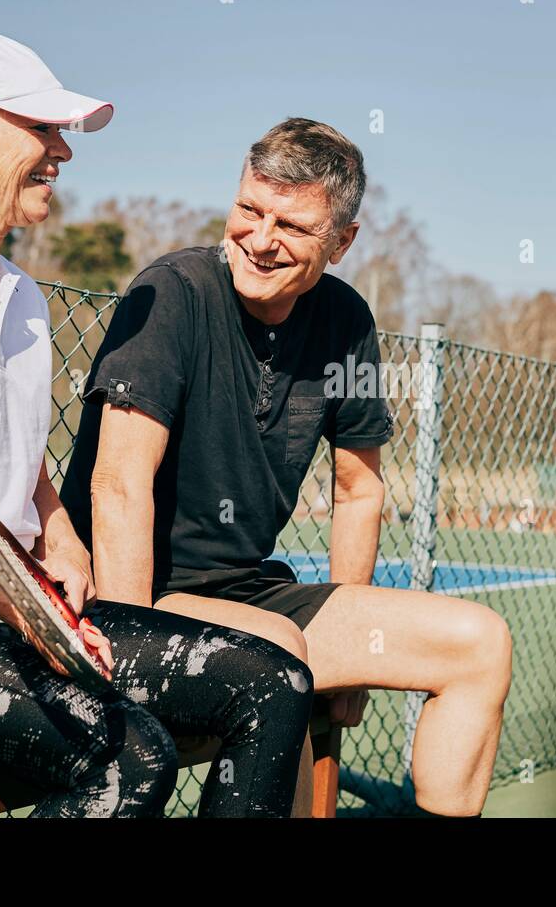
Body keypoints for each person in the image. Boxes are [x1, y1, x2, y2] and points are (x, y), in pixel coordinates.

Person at [0, 32, 314, 817]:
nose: (62, 151)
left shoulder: (22, 298)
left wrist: (60, 534)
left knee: (272, 682)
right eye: (41, 129)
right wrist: (10, 600)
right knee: (128, 753)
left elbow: (10, 455)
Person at [59, 118, 513, 817]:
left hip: (250, 594)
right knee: (280, 652)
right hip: (140, 598)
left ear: (342, 242)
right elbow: (118, 486)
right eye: (249, 210)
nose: (260, 239)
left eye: (292, 226)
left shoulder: (346, 322)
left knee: (480, 644)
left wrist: (355, 644)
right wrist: (137, 641)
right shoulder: (174, 293)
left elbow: (360, 489)